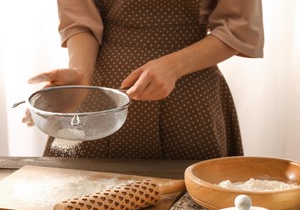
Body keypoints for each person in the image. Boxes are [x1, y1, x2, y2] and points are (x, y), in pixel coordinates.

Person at [23, 0, 264, 160]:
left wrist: (172, 66)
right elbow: (79, 20)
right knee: (80, 207)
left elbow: (238, 28)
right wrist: (80, 77)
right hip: (101, 98)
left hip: (191, 96)